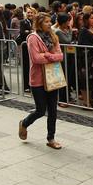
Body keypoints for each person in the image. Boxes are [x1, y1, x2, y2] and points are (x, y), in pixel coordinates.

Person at [18, 13, 64, 150]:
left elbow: (60, 55)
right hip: (38, 79)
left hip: (52, 78)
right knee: (40, 110)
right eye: (46, 22)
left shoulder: (53, 36)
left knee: (53, 110)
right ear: (39, 23)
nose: (50, 24)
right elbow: (36, 58)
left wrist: (48, 55)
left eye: (50, 21)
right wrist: (51, 57)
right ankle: (24, 123)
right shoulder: (33, 38)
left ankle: (51, 138)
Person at [77, 12, 93, 108]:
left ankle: (90, 99)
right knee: (84, 79)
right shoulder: (83, 30)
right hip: (85, 58)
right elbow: (81, 44)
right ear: (86, 20)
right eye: (91, 18)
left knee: (92, 79)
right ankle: (86, 101)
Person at [54, 13, 73, 107]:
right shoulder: (58, 32)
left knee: (67, 78)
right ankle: (61, 99)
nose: (69, 23)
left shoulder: (65, 30)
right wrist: (71, 31)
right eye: (68, 21)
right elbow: (67, 40)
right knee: (62, 78)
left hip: (68, 57)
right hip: (62, 57)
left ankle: (66, 98)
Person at [17, 7, 35, 92]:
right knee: (26, 66)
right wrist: (30, 31)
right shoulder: (23, 22)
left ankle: (34, 84)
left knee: (34, 66)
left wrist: (29, 31)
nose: (30, 14)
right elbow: (22, 32)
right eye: (28, 12)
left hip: (34, 47)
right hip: (26, 46)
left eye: (31, 12)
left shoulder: (36, 22)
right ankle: (26, 86)